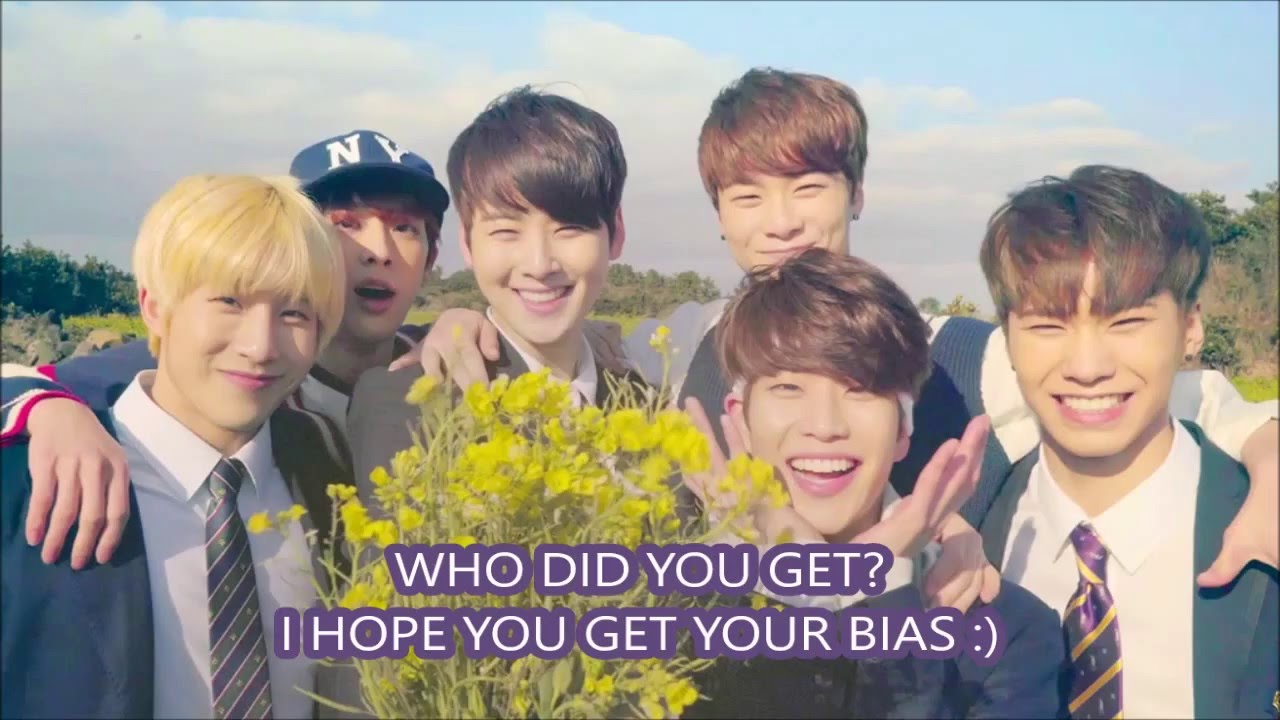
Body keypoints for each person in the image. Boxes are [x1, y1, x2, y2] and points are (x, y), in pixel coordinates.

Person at [406, 67, 1280, 601]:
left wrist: (1269, 457)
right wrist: (458, 320)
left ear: (856, 193)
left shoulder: (954, 351)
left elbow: (1150, 393)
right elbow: (561, 349)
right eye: (748, 196)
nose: (781, 222)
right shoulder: (680, 343)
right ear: (719, 215)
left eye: (808, 188)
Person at [1, 174, 349, 718]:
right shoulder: (34, 479)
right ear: (154, 307)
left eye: (295, 313)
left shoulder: (330, 469)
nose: (261, 346)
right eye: (230, 301)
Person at [682, 247, 1065, 718]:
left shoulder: (1009, 633)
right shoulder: (667, 607)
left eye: (859, 390)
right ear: (741, 419)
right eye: (788, 388)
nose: (824, 426)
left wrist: (880, 586)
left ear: (903, 428)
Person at [974, 165, 1277, 719]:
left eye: (1127, 322)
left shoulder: (1260, 529)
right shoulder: (964, 540)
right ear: (1008, 340)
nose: (1087, 367)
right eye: (1047, 326)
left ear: (1191, 328)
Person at [345, 86, 646, 494]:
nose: (539, 264)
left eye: (570, 228)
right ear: (468, 244)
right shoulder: (408, 406)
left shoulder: (646, 402)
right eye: (506, 231)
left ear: (616, 233)